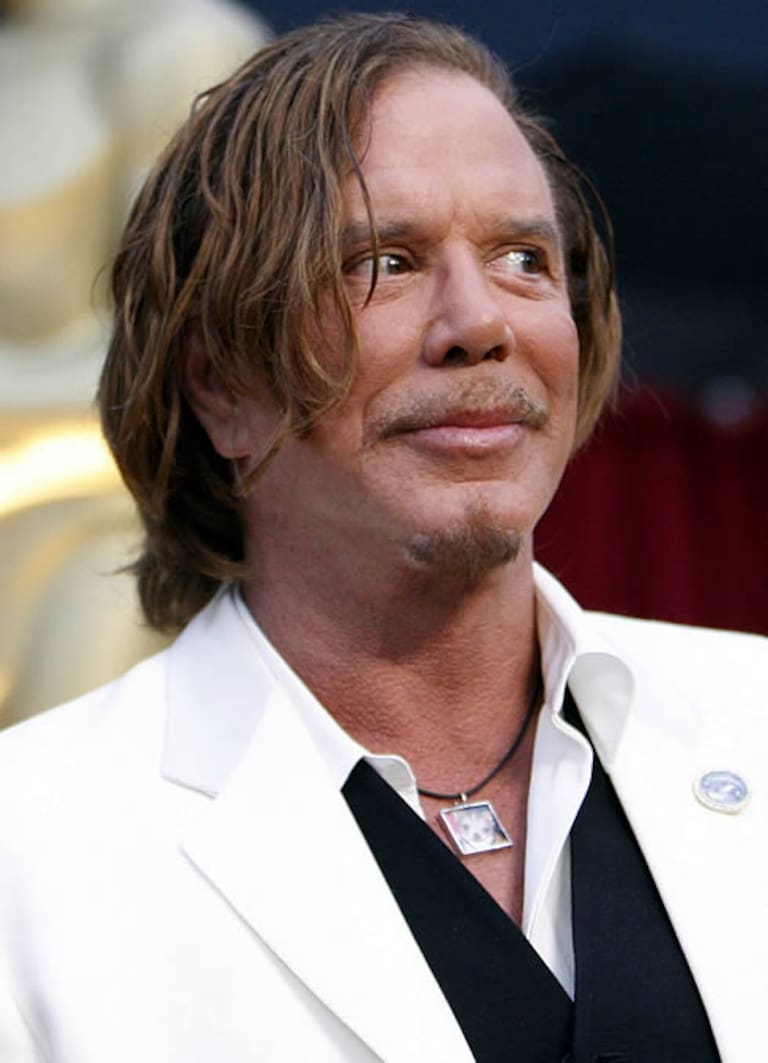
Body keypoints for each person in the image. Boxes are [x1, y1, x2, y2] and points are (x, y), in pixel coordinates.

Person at [0, 13, 764, 1063]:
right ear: (220, 385)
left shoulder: (751, 720)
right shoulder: (31, 851)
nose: (480, 323)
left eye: (523, 259)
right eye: (385, 262)